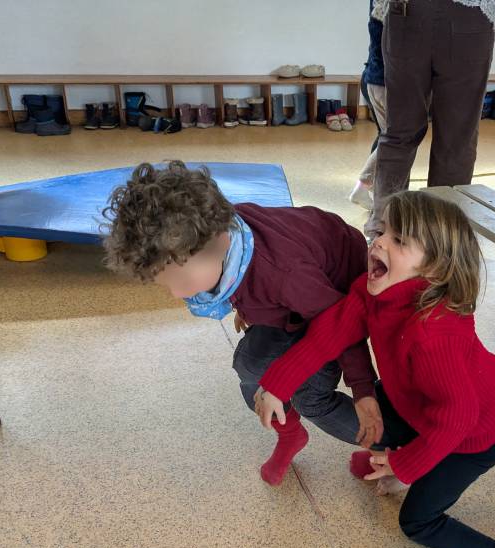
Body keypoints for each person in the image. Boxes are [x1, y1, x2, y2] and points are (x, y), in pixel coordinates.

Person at [256, 191, 495, 548]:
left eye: (399, 241)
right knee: (375, 427)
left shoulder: (434, 334)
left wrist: (405, 466)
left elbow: (457, 418)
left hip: (476, 435)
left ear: (434, 270)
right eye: (383, 231)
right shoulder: (372, 291)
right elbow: (328, 334)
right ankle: (409, 456)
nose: (379, 242)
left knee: (416, 522)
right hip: (422, 405)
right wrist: (278, 385)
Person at [102, 161, 383, 486]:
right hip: (294, 303)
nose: (175, 293)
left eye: (177, 279)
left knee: (312, 398)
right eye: (163, 283)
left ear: (220, 244)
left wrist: (364, 390)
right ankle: (291, 435)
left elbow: (342, 324)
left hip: (338, 298)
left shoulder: (282, 274)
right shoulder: (219, 232)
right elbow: (244, 279)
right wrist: (246, 303)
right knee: (248, 365)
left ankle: (394, 449)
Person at [370, 0, 495, 229]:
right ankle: (440, 234)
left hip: (406, 13)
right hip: (468, 14)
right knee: (456, 139)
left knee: (398, 134)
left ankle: (384, 229)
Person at [349, 0, 387, 211]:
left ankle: (369, 188)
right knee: (396, 141)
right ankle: (364, 187)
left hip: (374, 78)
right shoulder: (392, 6)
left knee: (387, 136)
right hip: (384, 82)